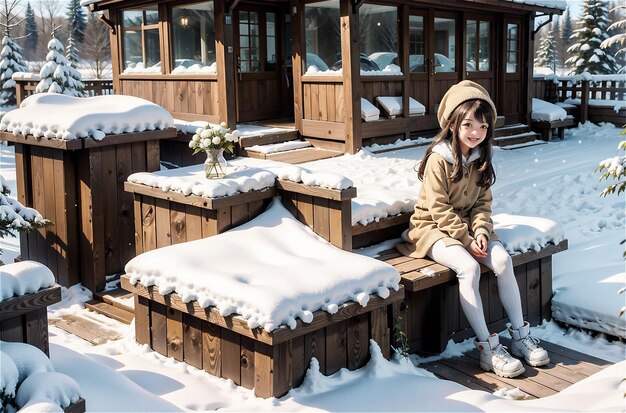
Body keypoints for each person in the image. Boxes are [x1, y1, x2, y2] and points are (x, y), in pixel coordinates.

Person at [397, 81, 549, 378]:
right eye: (468, 124)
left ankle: (519, 336)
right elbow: (438, 208)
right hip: (432, 230)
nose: (475, 132)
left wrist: (480, 232)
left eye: (482, 126)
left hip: (467, 229)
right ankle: (487, 349)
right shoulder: (438, 160)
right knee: (470, 268)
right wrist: (466, 240)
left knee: (503, 261)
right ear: (453, 124)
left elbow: (482, 205)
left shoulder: (480, 159)